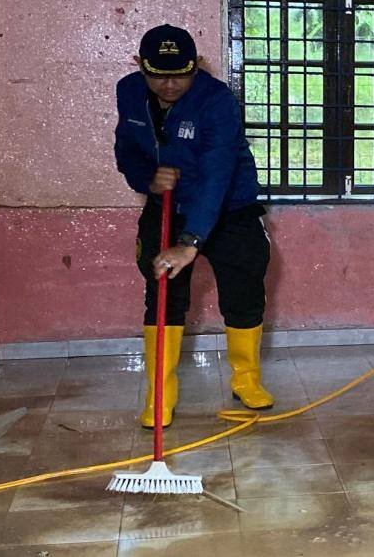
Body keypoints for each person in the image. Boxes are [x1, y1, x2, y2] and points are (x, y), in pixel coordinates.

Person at [114, 24, 273, 427]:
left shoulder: (217, 101)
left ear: (197, 66)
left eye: (181, 74)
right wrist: (147, 180)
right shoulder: (129, 92)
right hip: (166, 205)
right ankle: (160, 394)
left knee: (244, 289)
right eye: (158, 75)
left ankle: (246, 379)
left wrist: (190, 242)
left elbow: (217, 174)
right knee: (164, 294)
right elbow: (126, 149)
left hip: (229, 207)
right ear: (139, 66)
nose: (169, 85)